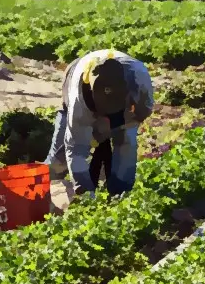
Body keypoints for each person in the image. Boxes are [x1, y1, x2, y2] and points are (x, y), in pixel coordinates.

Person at [47, 49, 155, 202]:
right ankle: (50, 183)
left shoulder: (138, 79)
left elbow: (143, 111)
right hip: (74, 74)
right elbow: (76, 149)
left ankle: (120, 192)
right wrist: (85, 191)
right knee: (61, 154)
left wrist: (120, 125)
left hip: (124, 105)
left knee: (126, 141)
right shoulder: (78, 99)